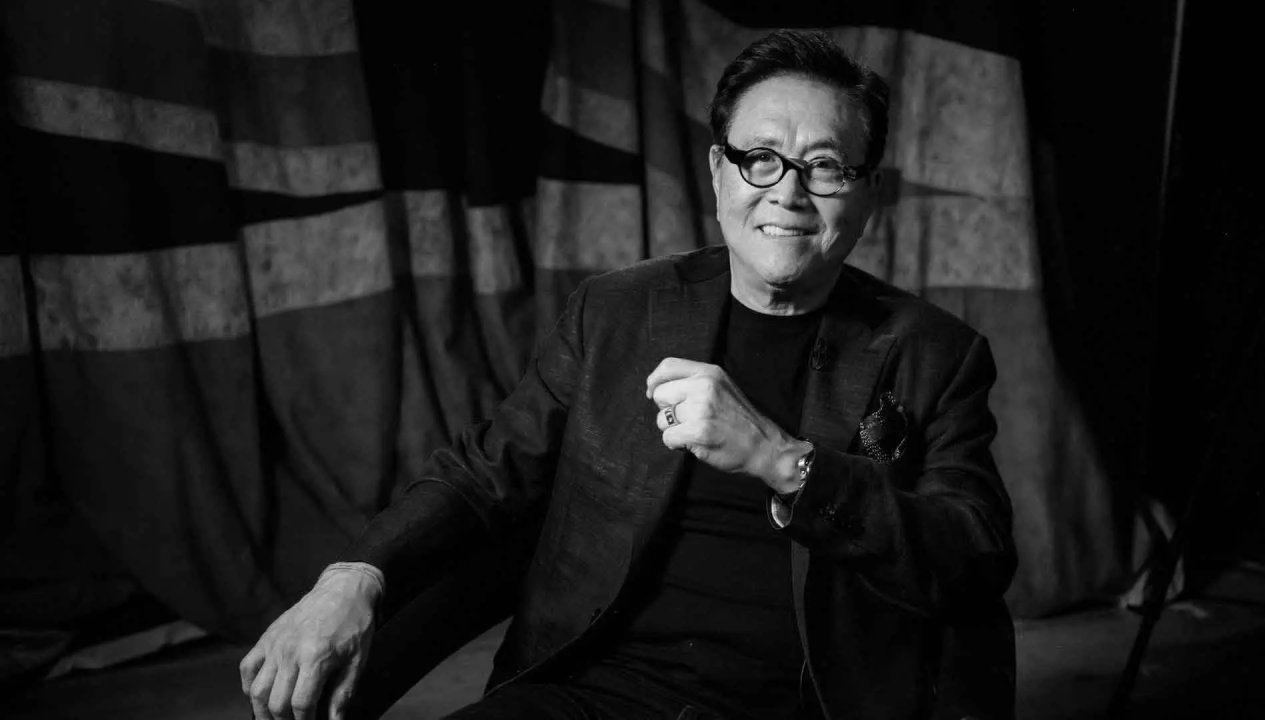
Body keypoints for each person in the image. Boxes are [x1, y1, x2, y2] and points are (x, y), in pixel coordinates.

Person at [240, 29, 1017, 720]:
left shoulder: (935, 353)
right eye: (760, 159)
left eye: (824, 167)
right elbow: (487, 472)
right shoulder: (618, 311)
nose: (786, 191)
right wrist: (355, 575)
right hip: (592, 691)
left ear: (868, 191)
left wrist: (785, 461)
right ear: (718, 172)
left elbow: (973, 557)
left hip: (800, 701)